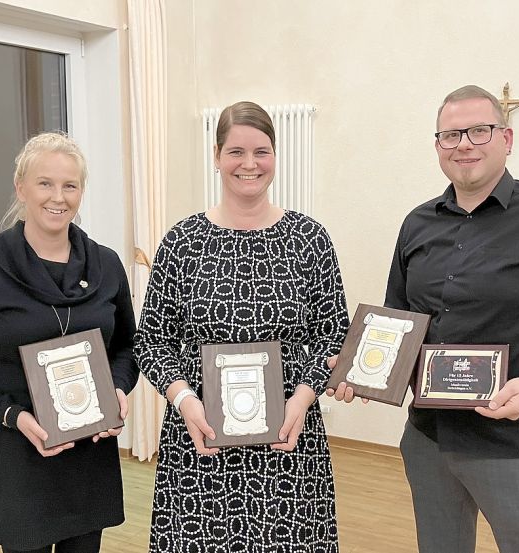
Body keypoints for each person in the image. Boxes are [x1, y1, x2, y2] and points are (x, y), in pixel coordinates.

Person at [328, 85, 519, 553]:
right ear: (437, 147)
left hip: (517, 445)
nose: (464, 143)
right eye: (450, 135)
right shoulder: (417, 224)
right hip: (429, 441)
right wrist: (364, 372)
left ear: (507, 139)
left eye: (478, 131)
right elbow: (398, 322)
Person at [134, 101, 349, 553]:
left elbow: (333, 334)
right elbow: (151, 340)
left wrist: (304, 399)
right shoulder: (182, 241)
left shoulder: (310, 239)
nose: (249, 164)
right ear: (216, 157)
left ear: (275, 156)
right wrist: (185, 400)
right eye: (235, 152)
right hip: (201, 440)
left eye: (261, 151)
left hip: (289, 441)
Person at [0, 132, 139, 553]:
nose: (57, 197)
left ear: (82, 191)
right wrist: (12, 416)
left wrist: (116, 388)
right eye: (45, 183)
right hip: (20, 460)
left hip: (88, 459)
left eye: (70, 185)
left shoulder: (107, 264)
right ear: (20, 187)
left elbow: (127, 347)